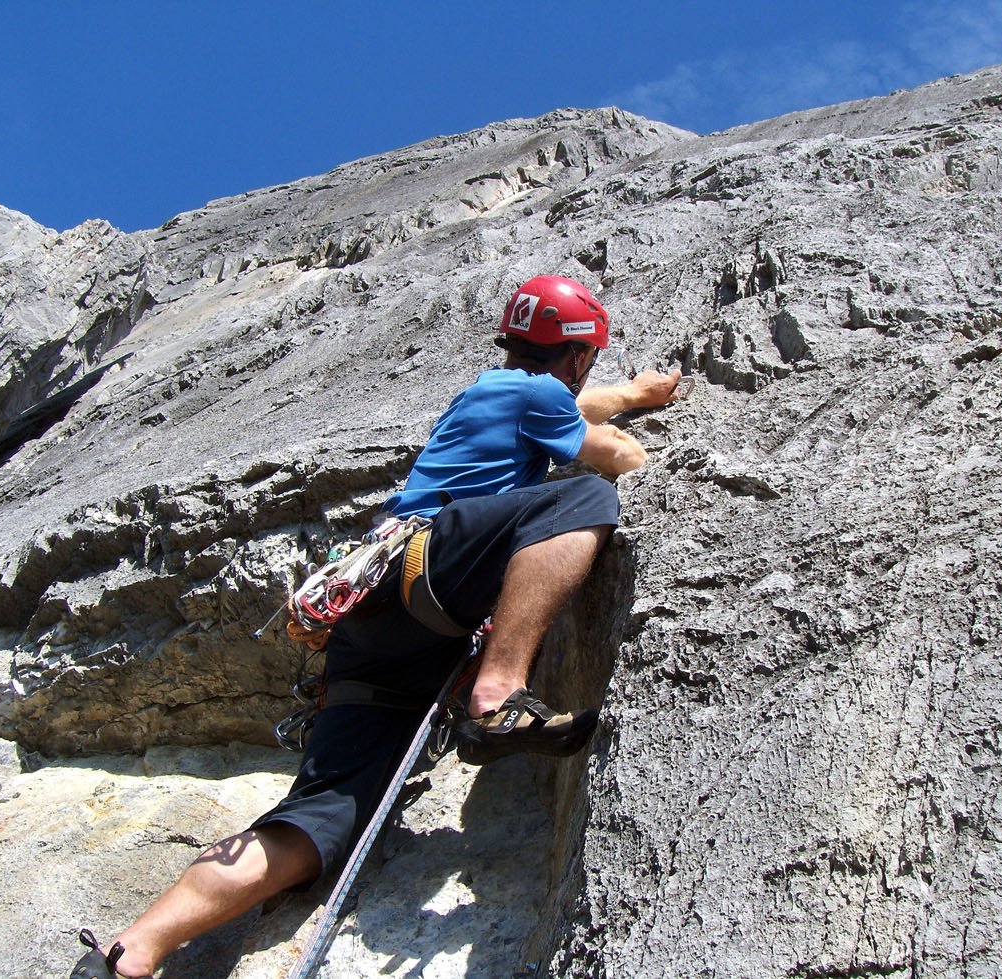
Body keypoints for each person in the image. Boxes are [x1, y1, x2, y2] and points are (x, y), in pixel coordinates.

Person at [69, 275, 683, 978]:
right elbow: (609, 454)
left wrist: (635, 395)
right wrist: (646, 451)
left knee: (319, 818)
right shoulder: (539, 396)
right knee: (579, 498)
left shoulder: (497, 392)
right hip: (426, 571)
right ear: (576, 356)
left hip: (375, 628)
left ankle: (130, 949)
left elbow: (578, 406)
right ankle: (498, 696)